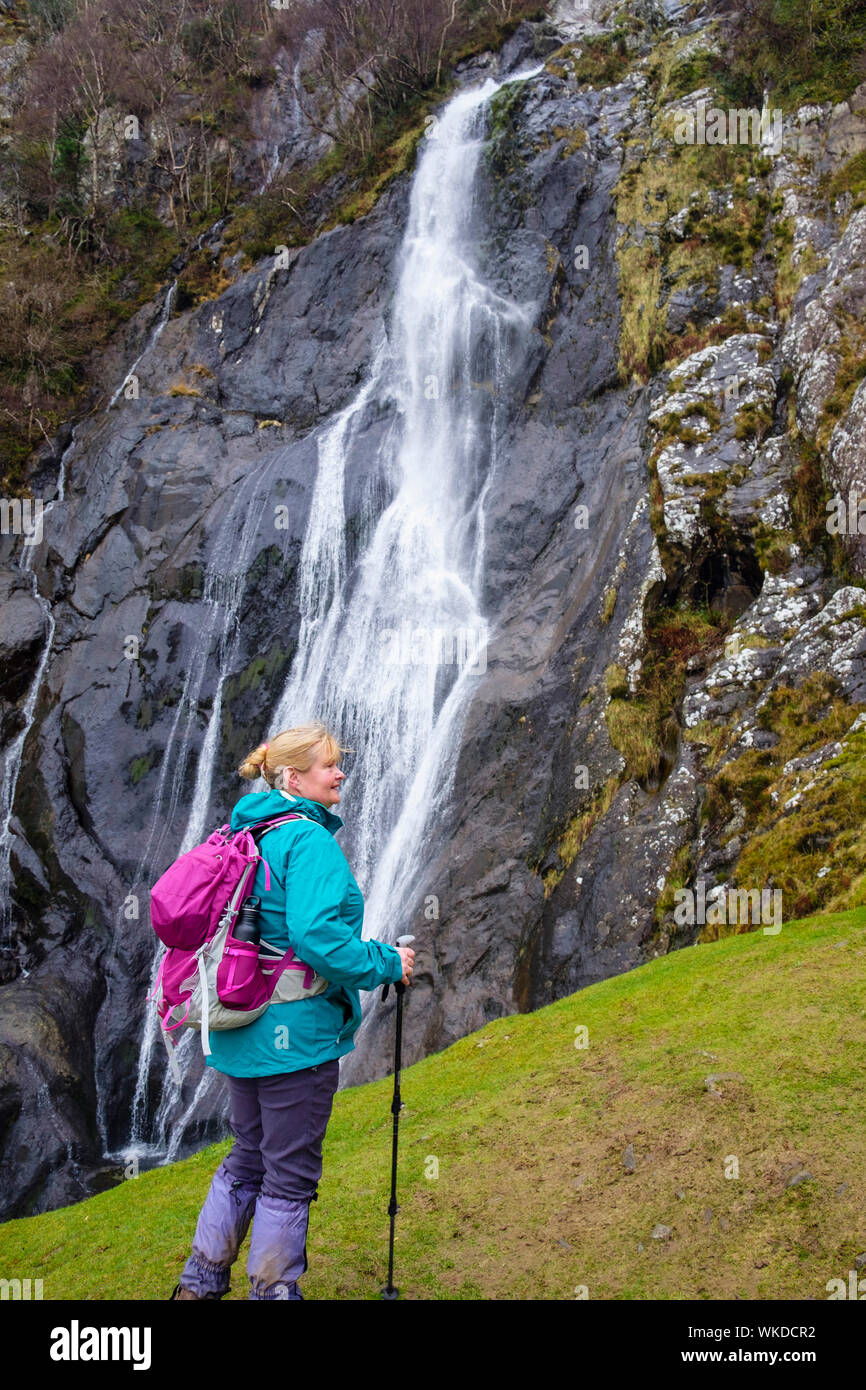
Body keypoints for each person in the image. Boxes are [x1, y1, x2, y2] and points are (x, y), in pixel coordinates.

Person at [170, 721, 415, 1300]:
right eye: (328, 765)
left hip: (238, 1026)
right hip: (293, 1038)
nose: (340, 774)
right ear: (292, 776)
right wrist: (387, 961)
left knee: (248, 1156)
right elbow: (318, 939)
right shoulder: (308, 841)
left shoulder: (243, 831)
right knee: (289, 1170)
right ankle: (274, 1290)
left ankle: (200, 1282)